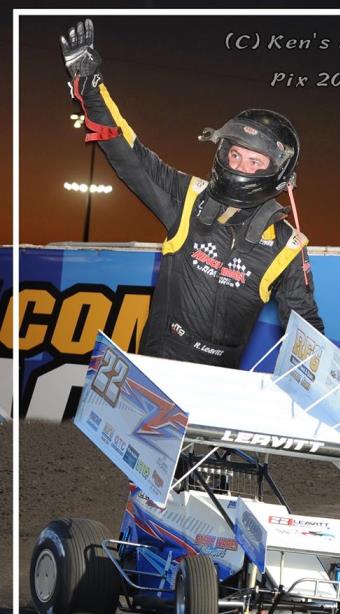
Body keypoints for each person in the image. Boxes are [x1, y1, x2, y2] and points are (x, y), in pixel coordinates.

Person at [60, 19, 324, 369]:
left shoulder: (287, 245)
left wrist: (325, 377)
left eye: (254, 161)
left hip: (217, 384)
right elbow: (130, 153)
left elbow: (305, 328)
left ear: (276, 172)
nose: (240, 166)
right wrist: (91, 89)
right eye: (235, 154)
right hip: (157, 368)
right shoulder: (189, 199)